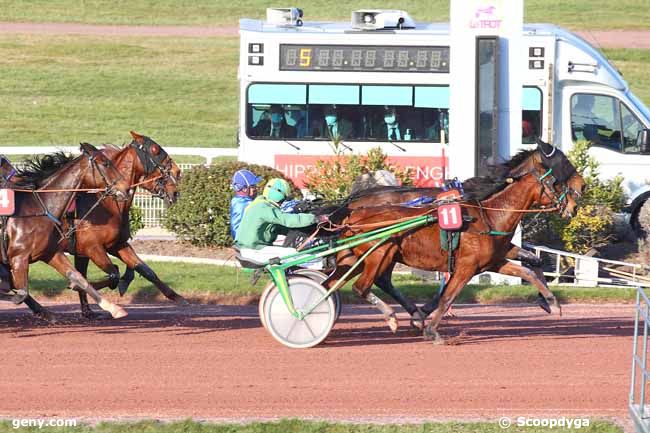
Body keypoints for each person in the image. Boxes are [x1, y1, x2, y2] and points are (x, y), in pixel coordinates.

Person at [235, 178, 328, 265]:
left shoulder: (261, 204)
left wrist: (305, 230)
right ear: (279, 196)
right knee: (291, 253)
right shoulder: (263, 208)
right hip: (252, 251)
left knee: (290, 252)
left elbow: (278, 228)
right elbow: (286, 220)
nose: (282, 202)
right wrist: (315, 218)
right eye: (284, 199)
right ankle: (322, 264)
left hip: (251, 248)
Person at [229, 169, 263, 239]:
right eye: (253, 186)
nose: (256, 189)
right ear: (244, 189)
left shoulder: (238, 200)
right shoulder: (244, 204)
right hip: (245, 244)